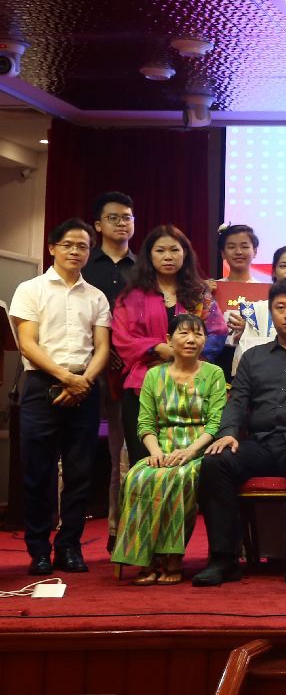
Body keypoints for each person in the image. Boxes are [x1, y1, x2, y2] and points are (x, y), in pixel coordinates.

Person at [192, 278, 286, 588]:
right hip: (262, 442)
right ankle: (223, 559)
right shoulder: (253, 357)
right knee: (215, 463)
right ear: (271, 312)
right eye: (280, 307)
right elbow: (238, 401)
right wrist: (229, 432)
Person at [12, 219, 112, 575]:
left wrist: (83, 381)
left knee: (80, 472)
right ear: (52, 247)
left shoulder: (96, 296)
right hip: (41, 385)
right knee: (37, 472)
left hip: (85, 386)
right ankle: (39, 549)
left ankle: (69, 546)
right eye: (68, 244)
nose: (75, 251)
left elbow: (102, 347)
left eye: (82, 246)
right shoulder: (31, 289)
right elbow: (27, 344)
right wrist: (66, 378)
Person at [110, 314, 225, 585]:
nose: (191, 339)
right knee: (138, 477)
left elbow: (215, 423)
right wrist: (155, 453)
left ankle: (172, 556)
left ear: (205, 341)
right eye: (183, 333)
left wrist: (190, 452)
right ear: (169, 340)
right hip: (161, 448)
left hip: (199, 449)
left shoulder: (214, 374)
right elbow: (145, 424)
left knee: (179, 477)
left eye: (197, 334)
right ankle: (146, 558)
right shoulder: (153, 375)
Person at [111, 225, 227, 464]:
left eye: (174, 250)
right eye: (160, 250)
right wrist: (157, 348)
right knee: (146, 461)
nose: (168, 256)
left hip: (193, 385)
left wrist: (186, 356)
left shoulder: (200, 294)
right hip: (143, 385)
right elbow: (122, 337)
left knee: (191, 464)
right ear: (149, 255)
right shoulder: (132, 296)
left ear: (185, 254)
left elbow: (217, 331)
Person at [81, 191, 136, 554]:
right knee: (76, 454)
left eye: (127, 217)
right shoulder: (84, 266)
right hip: (83, 371)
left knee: (123, 456)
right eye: (113, 218)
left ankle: (120, 532)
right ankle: (66, 537)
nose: (121, 224)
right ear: (98, 225)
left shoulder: (143, 268)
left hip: (128, 374)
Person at [220, 244, 286, 375]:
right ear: (274, 272)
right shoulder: (253, 312)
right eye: (283, 266)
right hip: (264, 378)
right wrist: (247, 329)